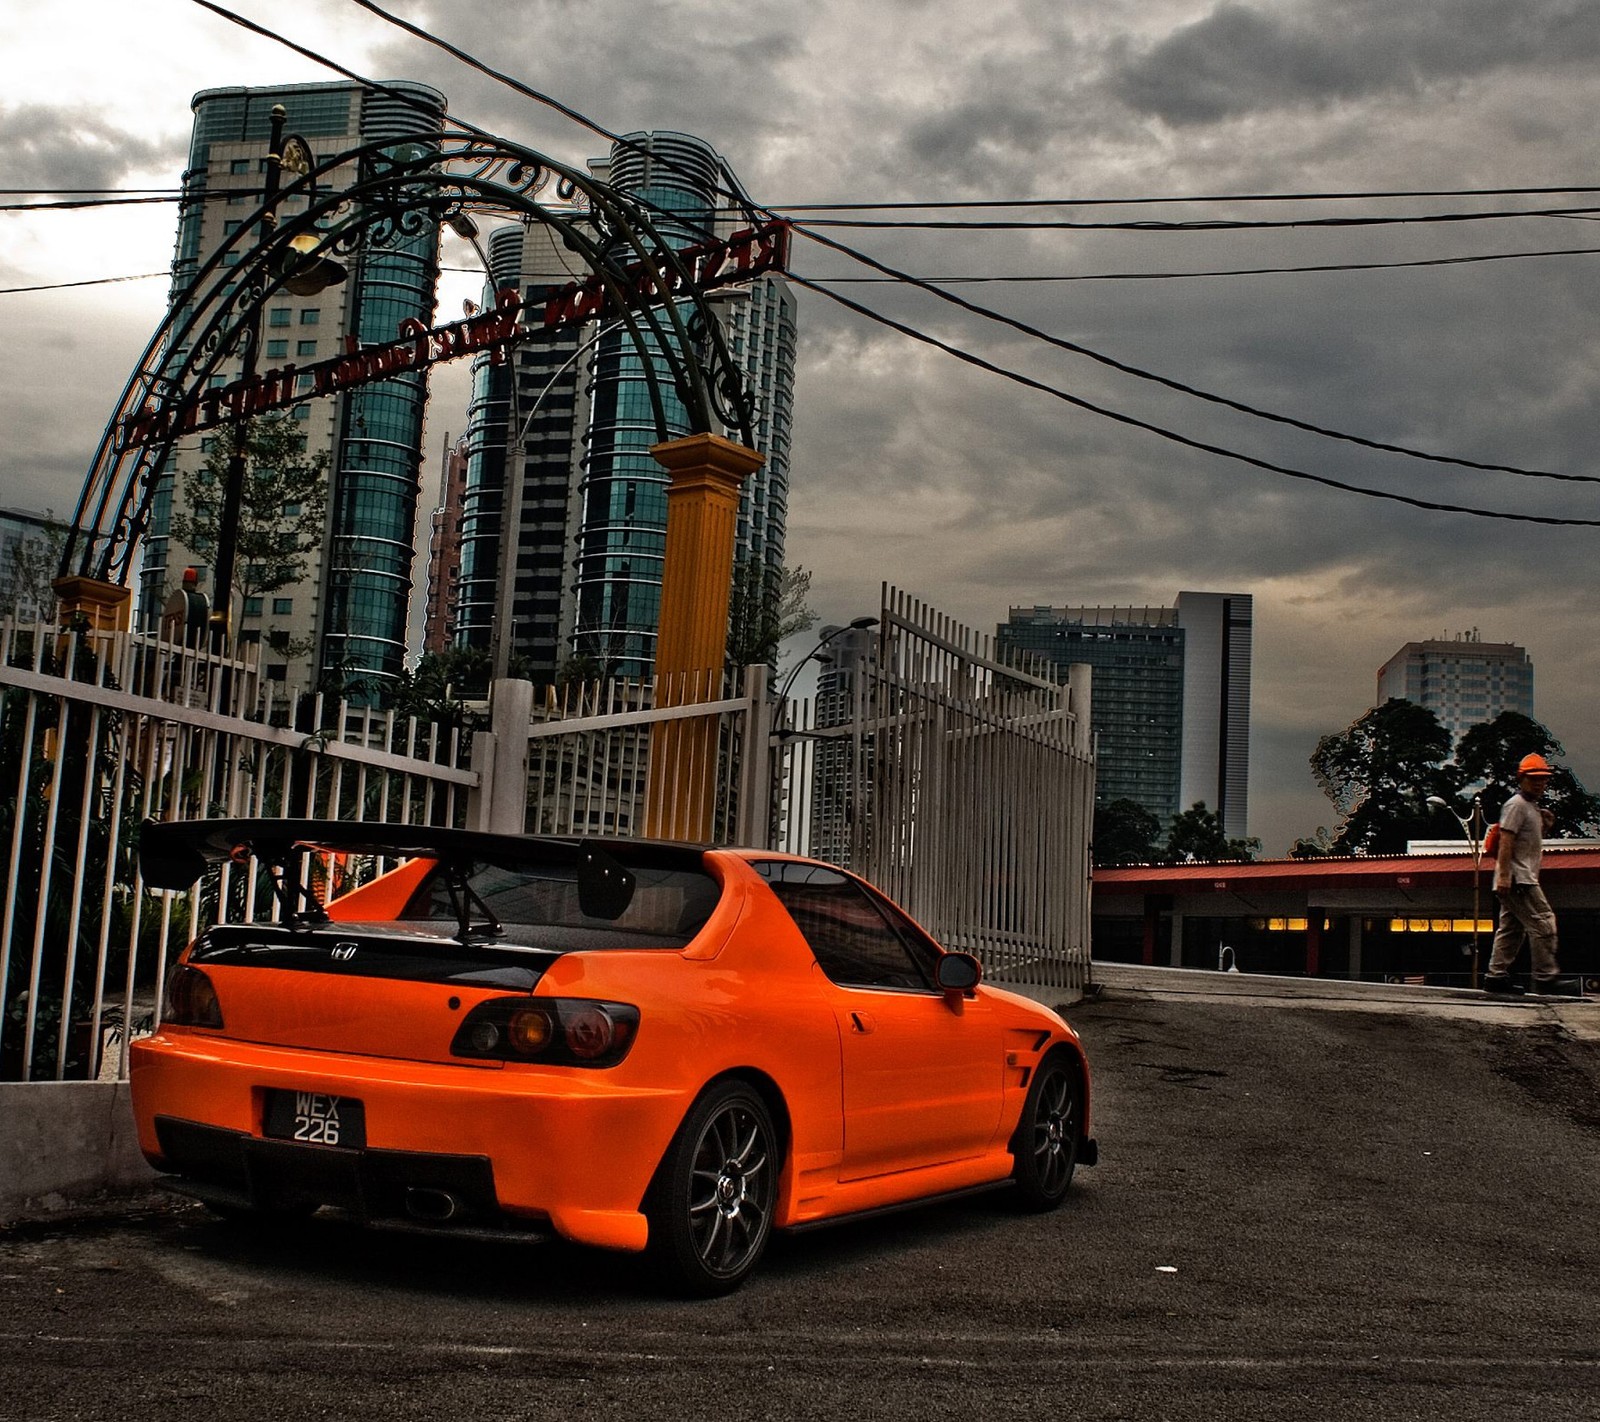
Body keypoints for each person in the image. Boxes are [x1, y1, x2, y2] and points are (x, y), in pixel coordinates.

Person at [1483, 753, 1577, 996]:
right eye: (1534, 779)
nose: (1539, 783)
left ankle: (1496, 977)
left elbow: (1527, 841)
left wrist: (1544, 823)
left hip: (1519, 876)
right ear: (1521, 779)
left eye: (1543, 779)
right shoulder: (1516, 805)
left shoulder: (1532, 808)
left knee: (1511, 929)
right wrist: (1504, 875)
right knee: (1544, 921)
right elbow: (1506, 840)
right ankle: (1545, 978)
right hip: (1518, 878)